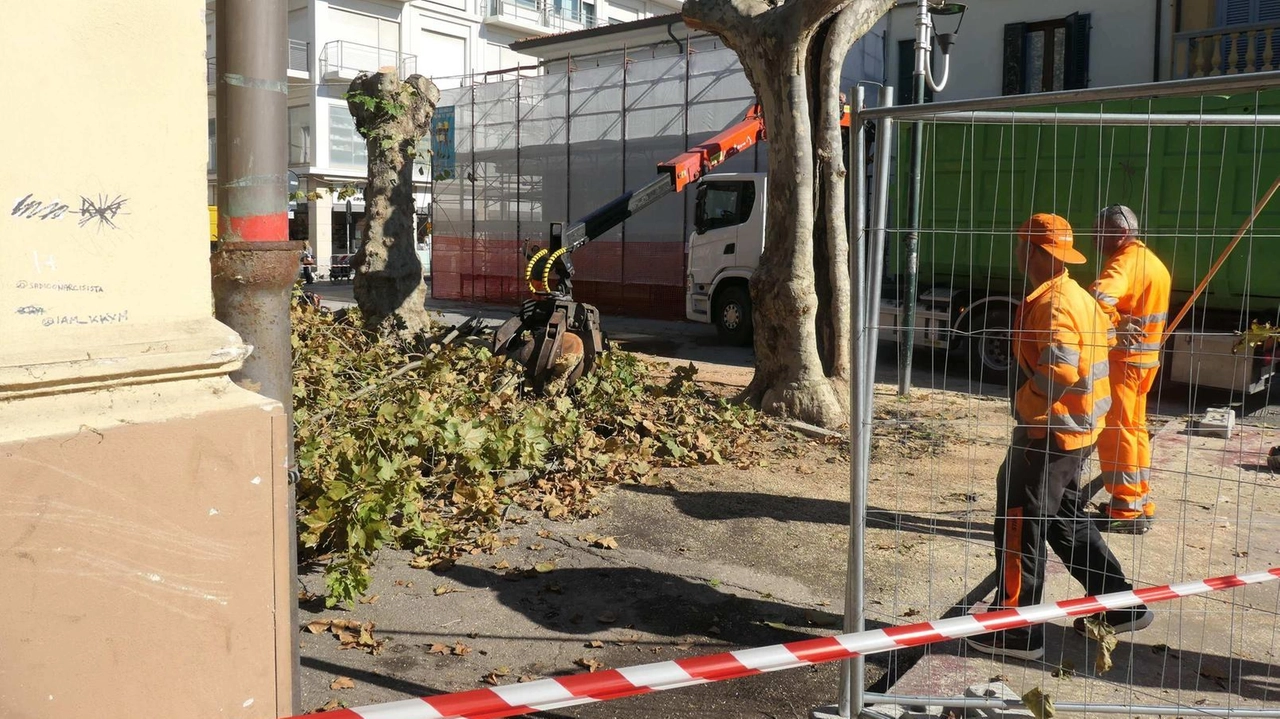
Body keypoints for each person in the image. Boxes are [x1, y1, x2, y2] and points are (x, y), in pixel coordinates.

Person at [965, 213, 1152, 661]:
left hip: (1049, 432)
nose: (1016, 252)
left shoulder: (1053, 303)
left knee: (1020, 521)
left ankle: (1017, 630)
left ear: (1033, 251)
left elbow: (1064, 367)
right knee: (1064, 519)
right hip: (1079, 431)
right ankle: (1118, 603)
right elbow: (1097, 340)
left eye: (1020, 245)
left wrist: (1027, 404)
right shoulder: (1072, 292)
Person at [1090, 205, 1171, 535]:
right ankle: (1138, 500)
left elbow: (1096, 298)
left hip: (1123, 363)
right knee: (1134, 430)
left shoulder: (1124, 263)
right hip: (1143, 362)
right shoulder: (1151, 262)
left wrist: (1114, 323)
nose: (1095, 239)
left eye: (1100, 232)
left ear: (1120, 234)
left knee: (1118, 431)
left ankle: (1124, 508)